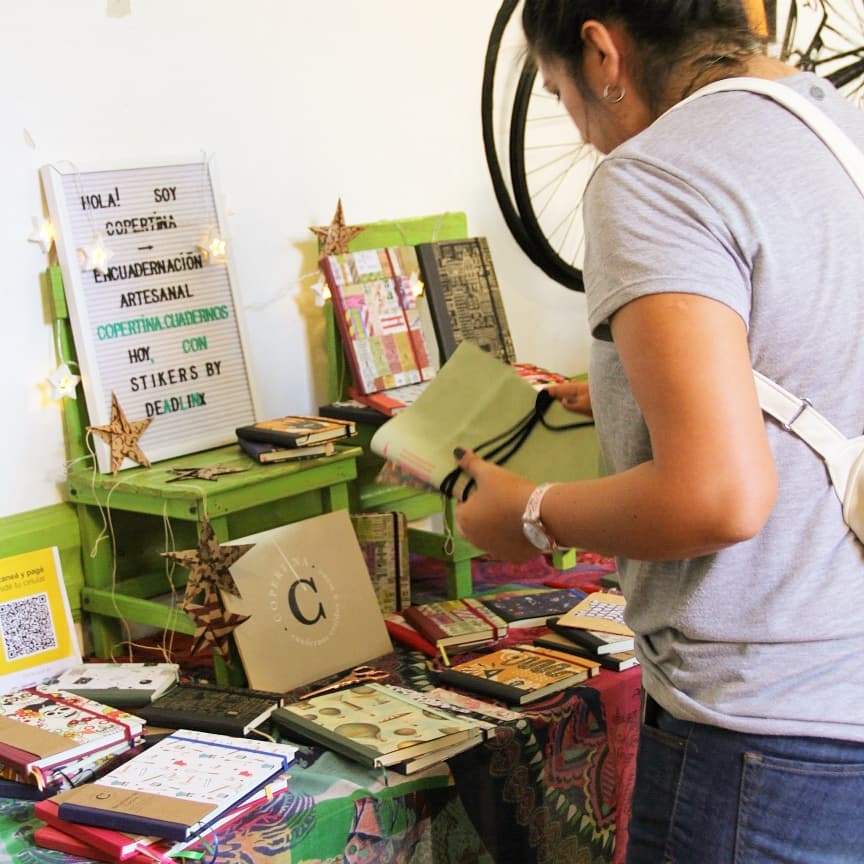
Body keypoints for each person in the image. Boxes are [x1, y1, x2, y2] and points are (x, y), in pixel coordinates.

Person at [453, 1, 864, 861]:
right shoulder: (839, 128)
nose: (585, 134)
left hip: (762, 727)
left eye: (563, 97)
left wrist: (527, 515)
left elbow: (718, 497)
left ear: (603, 52)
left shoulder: (658, 173)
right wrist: (629, 395)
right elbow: (818, 351)